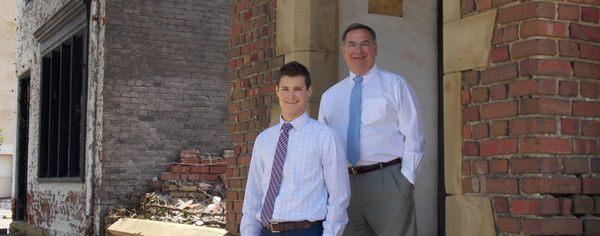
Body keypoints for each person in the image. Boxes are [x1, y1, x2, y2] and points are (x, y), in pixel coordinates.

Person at [318, 23, 426, 236]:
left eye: (365, 44)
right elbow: (323, 148)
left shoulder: (395, 85)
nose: (358, 51)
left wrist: (406, 179)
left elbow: (414, 135)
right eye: (352, 44)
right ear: (343, 50)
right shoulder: (330, 96)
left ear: (375, 48)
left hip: (387, 180)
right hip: (344, 184)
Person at [241, 61, 350, 236]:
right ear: (277, 91)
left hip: (306, 231)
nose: (291, 95)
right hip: (266, 231)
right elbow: (253, 194)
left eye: (298, 89)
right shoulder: (264, 139)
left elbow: (339, 195)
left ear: (309, 91)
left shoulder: (324, 136)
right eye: (285, 89)